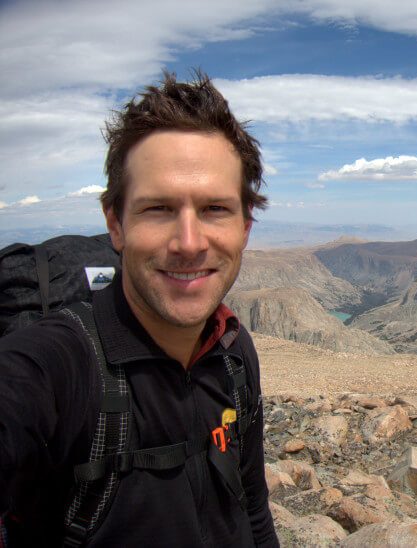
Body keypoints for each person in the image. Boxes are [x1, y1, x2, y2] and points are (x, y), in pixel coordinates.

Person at [0, 71, 279, 546]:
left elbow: (251, 505)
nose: (189, 244)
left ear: (245, 227)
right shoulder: (60, 365)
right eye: (158, 209)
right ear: (115, 223)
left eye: (215, 208)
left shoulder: (233, 351)